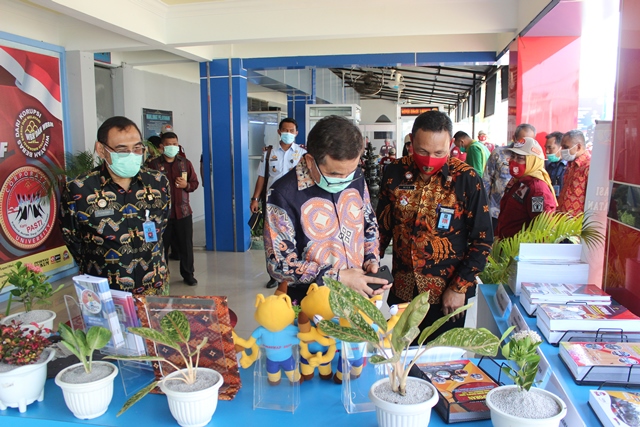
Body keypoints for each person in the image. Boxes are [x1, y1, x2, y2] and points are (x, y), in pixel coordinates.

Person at [376, 111, 493, 341]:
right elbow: (381, 229)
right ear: (411, 141)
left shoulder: (467, 179)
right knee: (398, 360)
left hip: (447, 297)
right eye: (422, 151)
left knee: (439, 364)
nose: (430, 160)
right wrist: (368, 267)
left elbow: (482, 240)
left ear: (450, 144)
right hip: (402, 292)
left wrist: (459, 287)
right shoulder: (394, 173)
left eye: (439, 153)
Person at [263, 115, 391, 304]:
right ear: (309, 160)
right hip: (313, 305)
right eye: (334, 173)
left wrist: (371, 259)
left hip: (360, 297)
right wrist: (339, 277)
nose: (345, 179)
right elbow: (279, 265)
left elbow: (368, 223)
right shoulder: (283, 194)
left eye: (350, 172)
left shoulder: (355, 176)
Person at [59, 116, 170, 294]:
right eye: (122, 150)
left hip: (153, 284)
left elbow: (161, 225)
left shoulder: (157, 182)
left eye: (137, 148)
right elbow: (72, 238)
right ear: (101, 150)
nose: (131, 155)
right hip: (105, 292)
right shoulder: (80, 189)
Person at [250, 118, 306, 289]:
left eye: (291, 130)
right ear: (279, 131)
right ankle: (274, 274)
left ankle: (295, 272)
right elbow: (262, 177)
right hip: (272, 202)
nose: (288, 133)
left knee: (295, 237)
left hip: (294, 202)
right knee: (271, 240)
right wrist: (255, 198)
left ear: (296, 133)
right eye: (285, 130)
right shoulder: (268, 154)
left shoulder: (303, 154)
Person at [147, 131, 200, 286]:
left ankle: (188, 274)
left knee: (186, 246)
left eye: (175, 144)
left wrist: (187, 185)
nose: (172, 147)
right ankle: (162, 276)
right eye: (169, 144)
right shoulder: (153, 165)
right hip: (161, 214)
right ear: (162, 147)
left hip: (183, 212)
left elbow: (195, 183)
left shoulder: (185, 163)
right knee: (162, 247)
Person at [495, 137, 557, 239]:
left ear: (533, 161)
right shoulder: (518, 182)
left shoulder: (537, 189)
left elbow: (543, 227)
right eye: (513, 156)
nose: (513, 161)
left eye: (520, 158)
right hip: (506, 248)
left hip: (519, 251)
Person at [482, 123, 536, 232]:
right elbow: (486, 181)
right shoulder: (499, 153)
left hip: (519, 214)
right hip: (496, 211)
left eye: (530, 141)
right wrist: (483, 208)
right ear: (514, 138)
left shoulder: (534, 158)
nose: (525, 144)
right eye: (522, 140)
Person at [557, 129, 591, 216]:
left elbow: (592, 201)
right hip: (562, 221)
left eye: (565, 147)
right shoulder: (570, 164)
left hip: (576, 225)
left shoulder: (589, 167)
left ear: (578, 147)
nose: (562, 150)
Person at [544, 131, 567, 196]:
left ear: (561, 147)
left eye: (550, 148)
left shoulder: (569, 166)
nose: (547, 151)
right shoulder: (549, 166)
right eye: (546, 148)